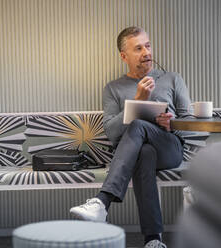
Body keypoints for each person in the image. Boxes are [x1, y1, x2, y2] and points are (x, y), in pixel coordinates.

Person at [70, 26, 190, 248]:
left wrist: (171, 124)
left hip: (170, 147)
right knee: (144, 152)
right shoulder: (113, 89)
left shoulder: (172, 78)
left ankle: (102, 202)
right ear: (124, 56)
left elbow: (191, 124)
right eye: (138, 48)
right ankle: (153, 240)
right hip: (140, 153)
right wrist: (136, 101)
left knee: (137, 125)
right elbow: (112, 134)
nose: (146, 52)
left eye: (148, 45)